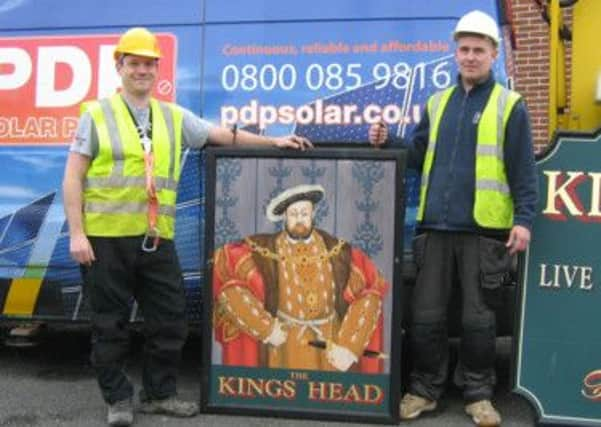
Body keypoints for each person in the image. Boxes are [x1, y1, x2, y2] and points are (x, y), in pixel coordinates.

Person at [62, 27, 311, 427]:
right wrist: (76, 233)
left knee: (171, 319)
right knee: (110, 325)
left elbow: (222, 135)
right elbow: (73, 176)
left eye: (149, 64)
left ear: (157, 69)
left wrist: (274, 142)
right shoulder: (96, 115)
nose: (142, 70)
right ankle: (119, 401)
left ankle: (159, 395)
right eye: (134, 63)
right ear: (120, 66)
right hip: (105, 241)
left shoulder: (171, 115)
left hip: (155, 239)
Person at [369, 10, 538, 427]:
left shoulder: (509, 105)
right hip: (436, 229)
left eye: (479, 49)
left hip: (485, 232)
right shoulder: (437, 102)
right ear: (455, 52)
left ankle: (478, 396)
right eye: (463, 49)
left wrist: (524, 220)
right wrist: (388, 141)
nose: (470, 56)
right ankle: (424, 390)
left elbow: (523, 170)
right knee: (425, 316)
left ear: (493, 54)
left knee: (478, 321)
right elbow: (418, 157)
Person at [212, 184, 389, 373]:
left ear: (313, 214)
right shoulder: (261, 250)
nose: (299, 219)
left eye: (304, 213)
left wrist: (349, 347)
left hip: (330, 346)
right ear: (284, 217)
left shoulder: (339, 252)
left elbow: (371, 289)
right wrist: (266, 329)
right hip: (283, 348)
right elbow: (226, 275)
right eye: (293, 214)